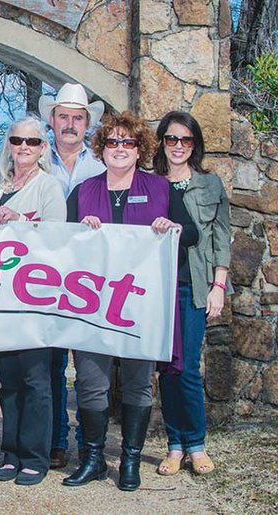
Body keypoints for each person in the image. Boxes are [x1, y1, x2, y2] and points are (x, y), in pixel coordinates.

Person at [62, 111, 198, 492]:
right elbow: (60, 249)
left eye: (128, 142)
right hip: (92, 305)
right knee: (90, 383)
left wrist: (173, 228)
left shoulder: (160, 189)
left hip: (141, 306)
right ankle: (92, 459)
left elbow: (192, 235)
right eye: (112, 142)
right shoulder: (83, 192)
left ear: (139, 150)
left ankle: (130, 461)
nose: (119, 149)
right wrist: (78, 233)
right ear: (101, 149)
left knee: (138, 384)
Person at [0, 116, 66, 486]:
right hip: (0, 298)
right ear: (9, 144)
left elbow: (56, 238)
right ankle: (11, 452)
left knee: (37, 380)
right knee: (10, 381)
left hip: (35, 297)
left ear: (42, 148)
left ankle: (36, 455)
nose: (23, 147)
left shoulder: (50, 187)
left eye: (32, 142)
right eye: (17, 140)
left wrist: (20, 220)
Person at [153, 111, 231, 477]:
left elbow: (220, 238)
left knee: (188, 370)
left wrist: (219, 285)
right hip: (157, 289)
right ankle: (174, 446)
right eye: (172, 139)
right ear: (162, 142)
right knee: (168, 370)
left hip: (194, 287)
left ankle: (196, 444)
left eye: (185, 140)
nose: (178, 146)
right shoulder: (151, 184)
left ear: (194, 144)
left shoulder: (210, 185)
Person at [38, 82, 105, 469]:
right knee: (50, 365)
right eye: (63, 116)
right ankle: (55, 440)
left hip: (88, 279)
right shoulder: (34, 159)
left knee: (89, 365)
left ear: (86, 124)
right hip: (45, 279)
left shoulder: (101, 165)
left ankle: (88, 442)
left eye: (77, 118)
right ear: (52, 120)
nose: (69, 124)